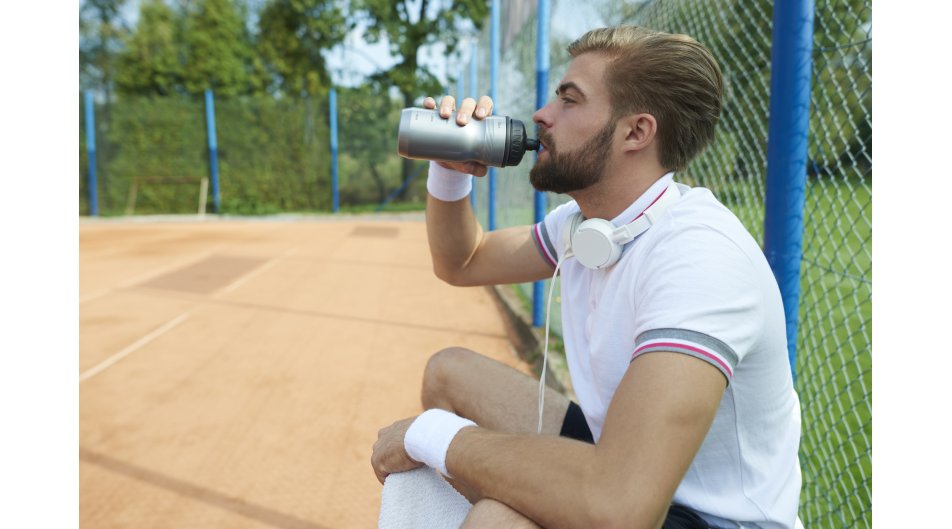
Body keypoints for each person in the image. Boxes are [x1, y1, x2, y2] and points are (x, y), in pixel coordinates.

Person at [371, 25, 802, 529]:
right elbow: (463, 261)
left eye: (569, 101)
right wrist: (450, 169)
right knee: (449, 372)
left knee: (497, 521)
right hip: (620, 467)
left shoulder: (700, 257)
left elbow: (619, 507)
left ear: (636, 133)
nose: (541, 115)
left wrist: (431, 437)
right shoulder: (591, 227)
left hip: (709, 519)